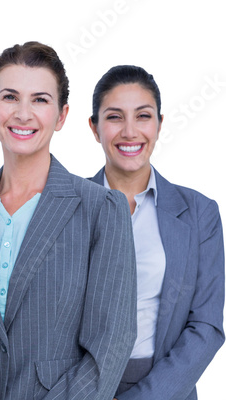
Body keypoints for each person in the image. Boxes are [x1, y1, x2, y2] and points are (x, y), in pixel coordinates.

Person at [0, 41, 137, 400]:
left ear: (61, 116)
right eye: (10, 97)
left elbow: (111, 344)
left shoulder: (101, 209)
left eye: (40, 100)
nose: (23, 114)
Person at [88, 65, 225, 400]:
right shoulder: (70, 208)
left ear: (160, 124)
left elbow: (206, 325)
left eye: (143, 116)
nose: (130, 131)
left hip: (169, 389)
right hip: (81, 388)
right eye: (115, 117)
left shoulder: (198, 213)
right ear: (95, 127)